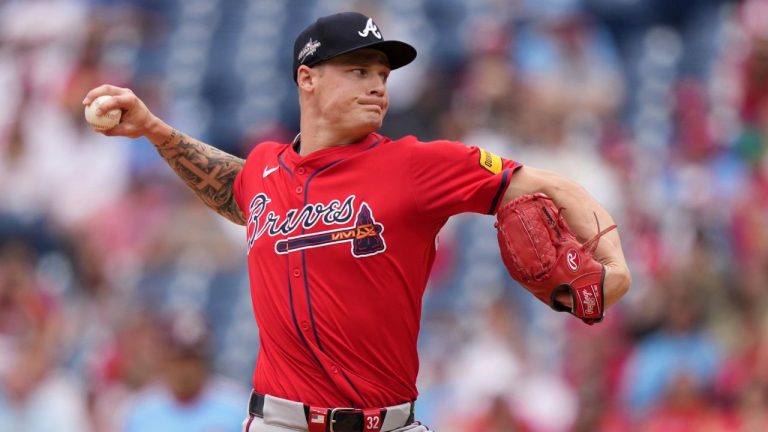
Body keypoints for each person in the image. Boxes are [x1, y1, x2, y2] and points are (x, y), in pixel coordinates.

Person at [83, 11, 631, 432]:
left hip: (388, 420)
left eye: (383, 75)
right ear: (308, 79)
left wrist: (613, 264)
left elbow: (551, 185)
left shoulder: (416, 164)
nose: (378, 86)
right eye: (358, 71)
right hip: (279, 421)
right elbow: (232, 185)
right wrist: (154, 128)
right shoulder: (267, 169)